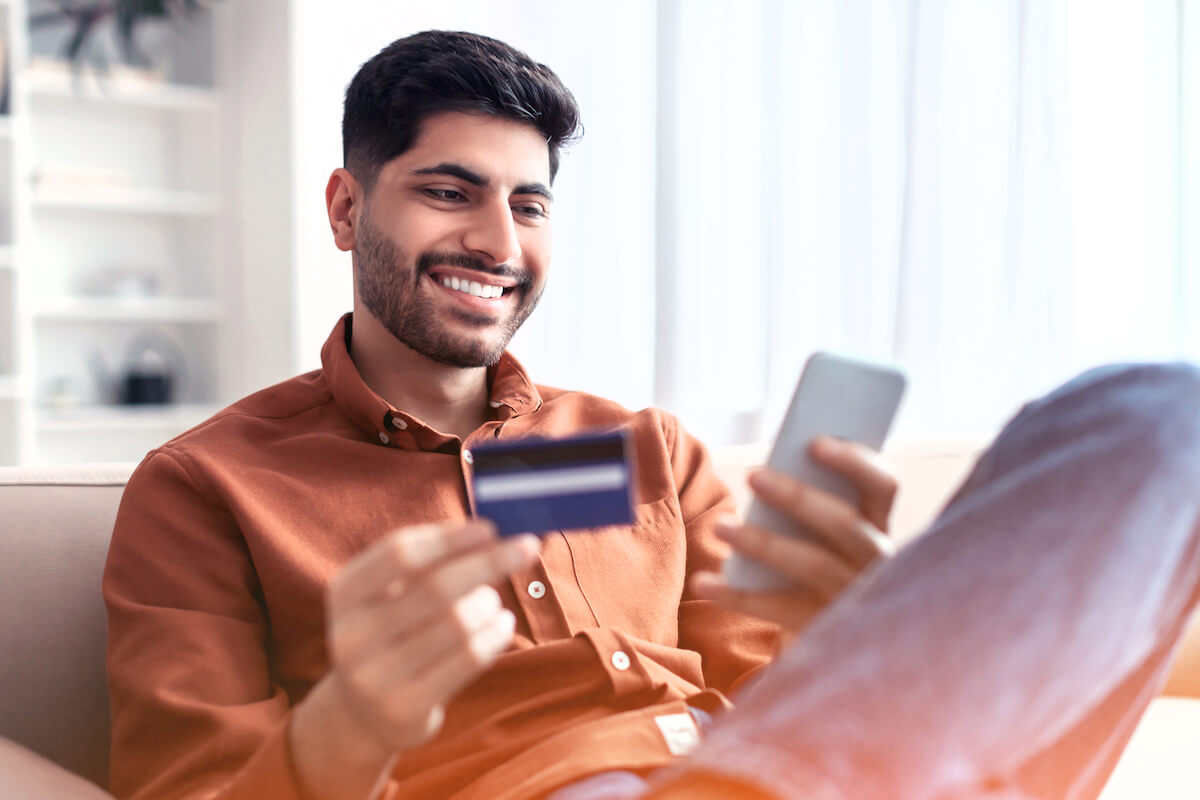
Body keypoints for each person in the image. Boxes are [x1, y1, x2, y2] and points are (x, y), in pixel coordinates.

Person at [102, 30, 1200, 800]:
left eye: (529, 204)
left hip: (772, 765)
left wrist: (864, 616)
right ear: (349, 208)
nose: (498, 240)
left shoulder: (647, 451)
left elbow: (789, 698)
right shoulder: (209, 486)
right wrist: (353, 721)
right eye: (450, 190)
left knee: (1164, 415)